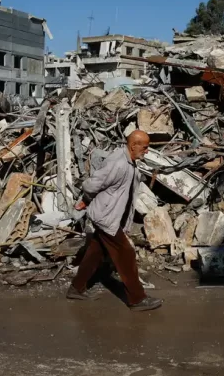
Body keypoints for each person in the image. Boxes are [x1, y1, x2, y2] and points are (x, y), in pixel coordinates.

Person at [67, 130, 163, 312]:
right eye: (145, 147)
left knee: (95, 252)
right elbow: (91, 184)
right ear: (133, 145)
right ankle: (137, 299)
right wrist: (86, 199)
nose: (147, 151)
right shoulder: (118, 163)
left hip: (111, 216)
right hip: (105, 217)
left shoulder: (130, 160)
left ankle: (76, 288)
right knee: (126, 254)